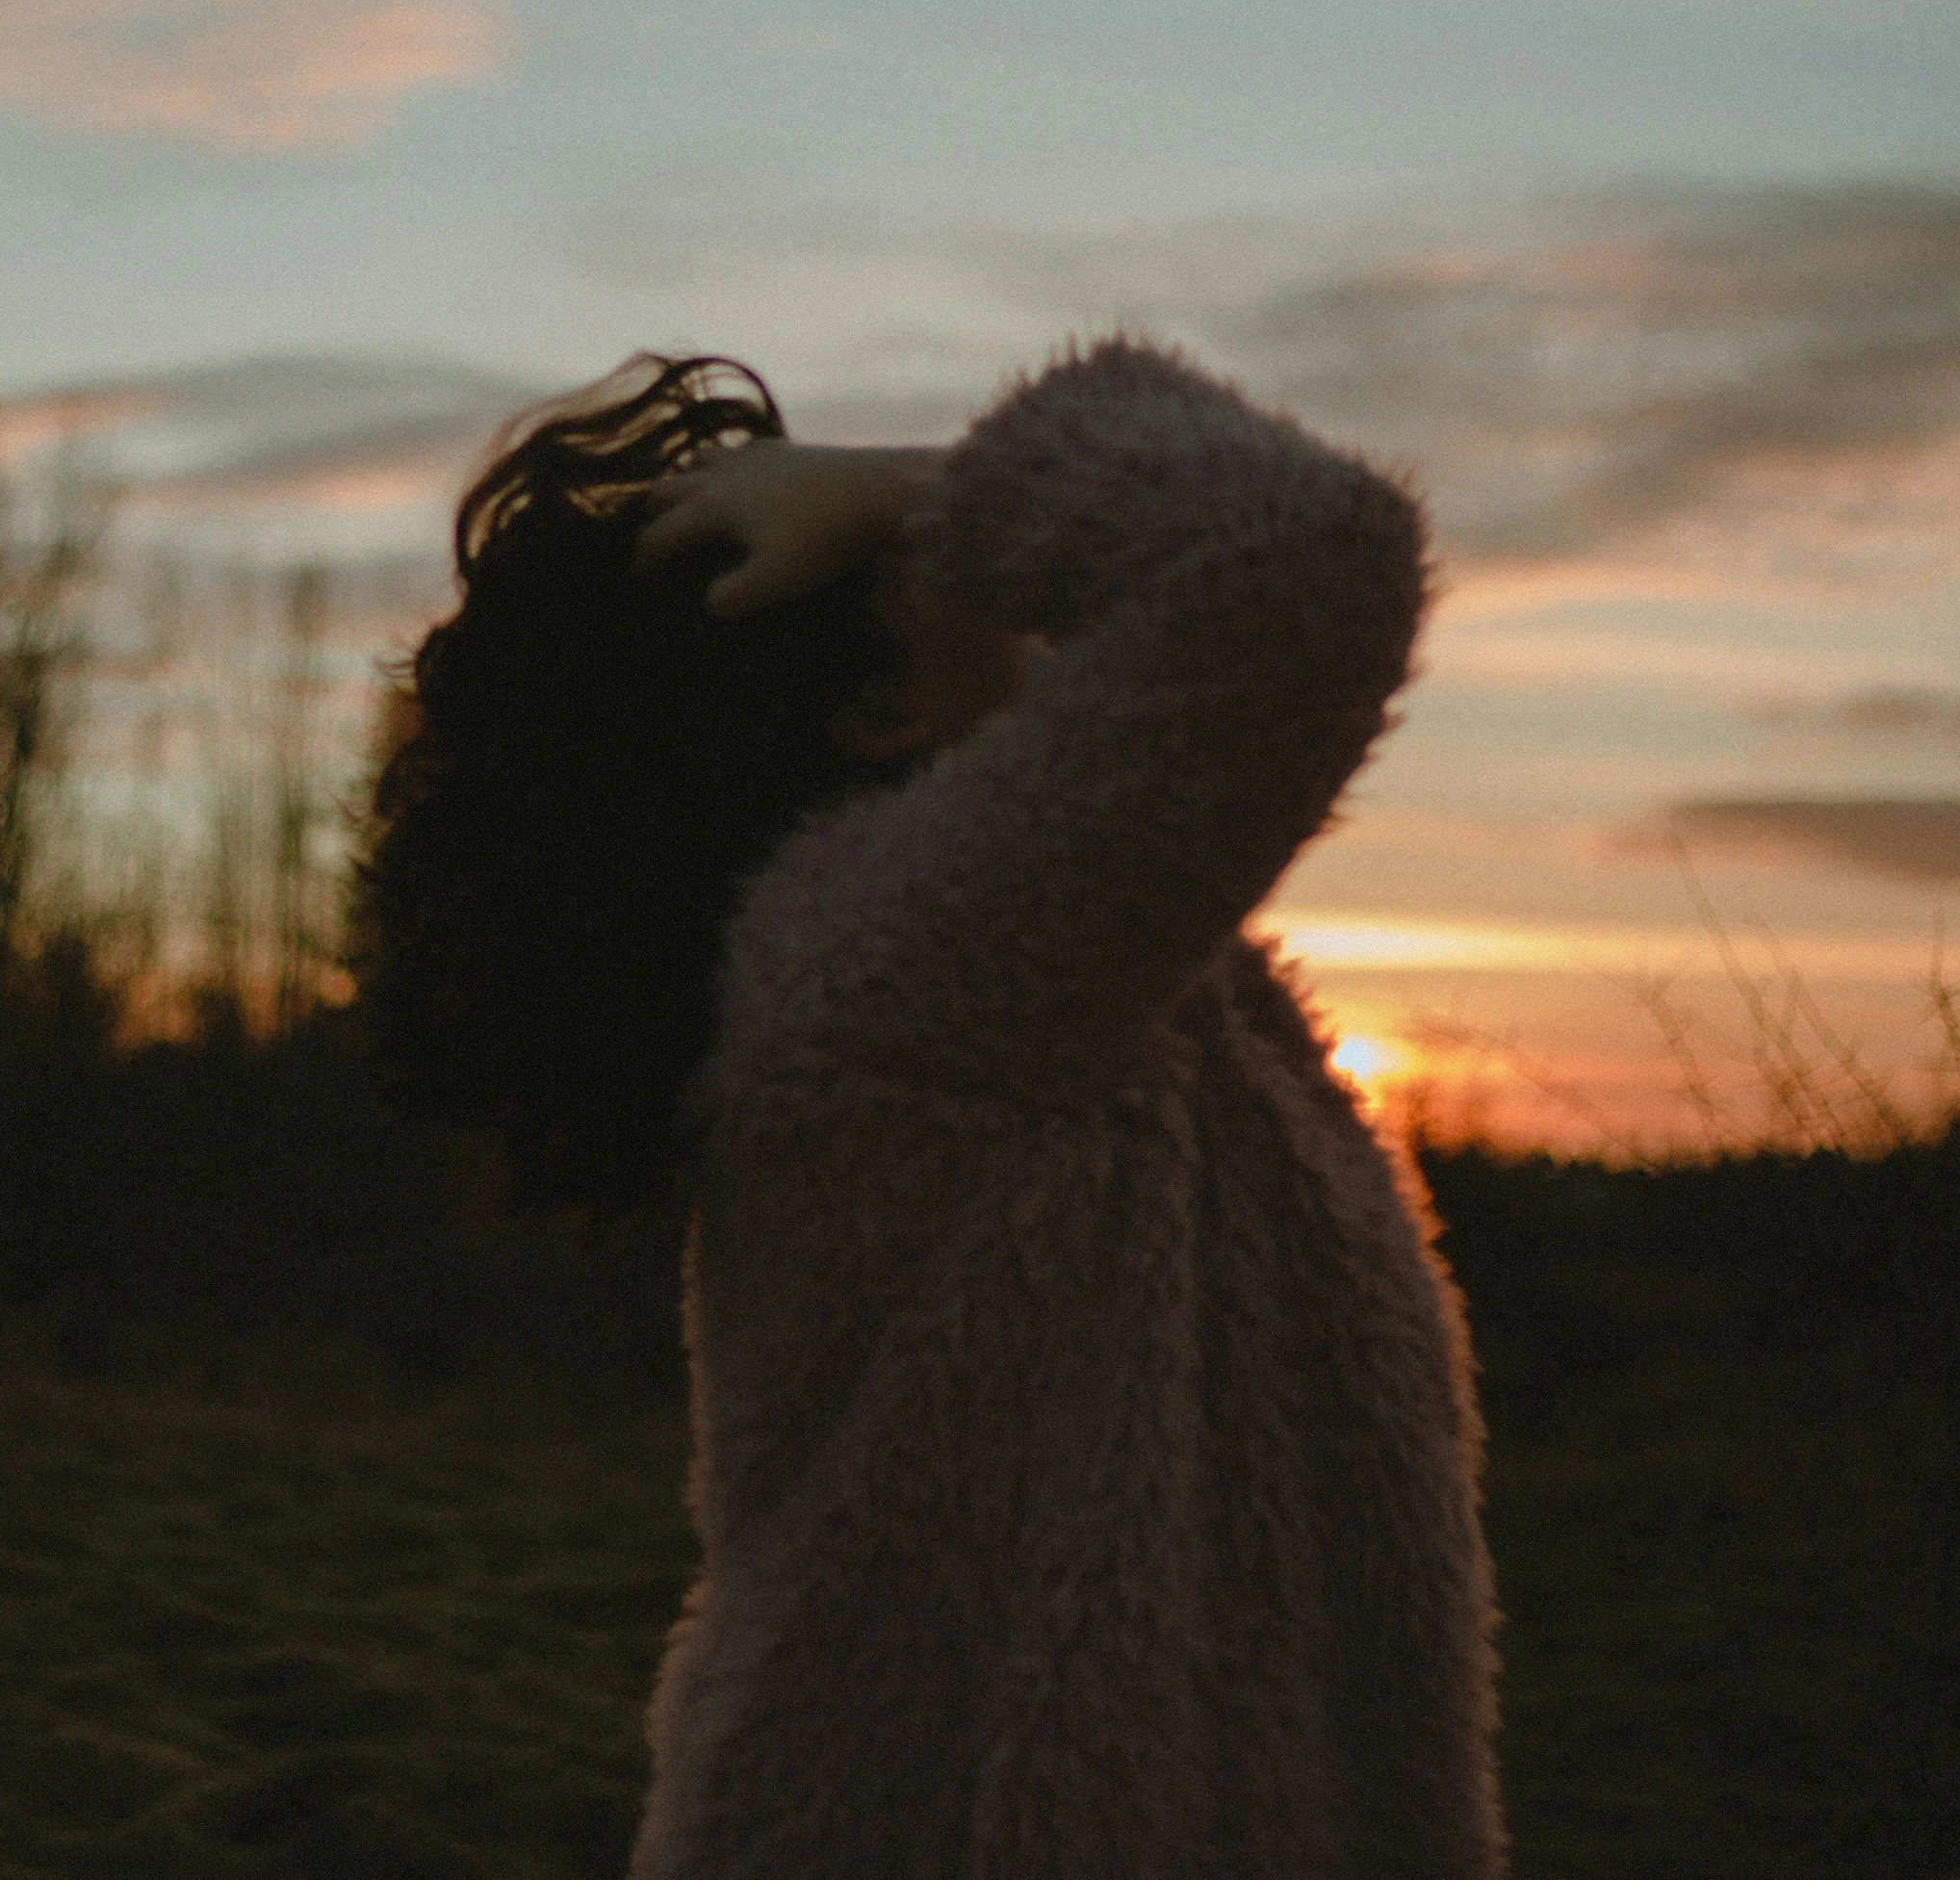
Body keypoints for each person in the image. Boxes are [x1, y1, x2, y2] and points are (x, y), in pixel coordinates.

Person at [359, 336, 1505, 1878]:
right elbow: (1299, 558)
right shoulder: (897, 969)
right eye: (909, 564)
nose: (997, 578)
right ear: (881, 708)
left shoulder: (1028, 978)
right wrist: (921, 484)